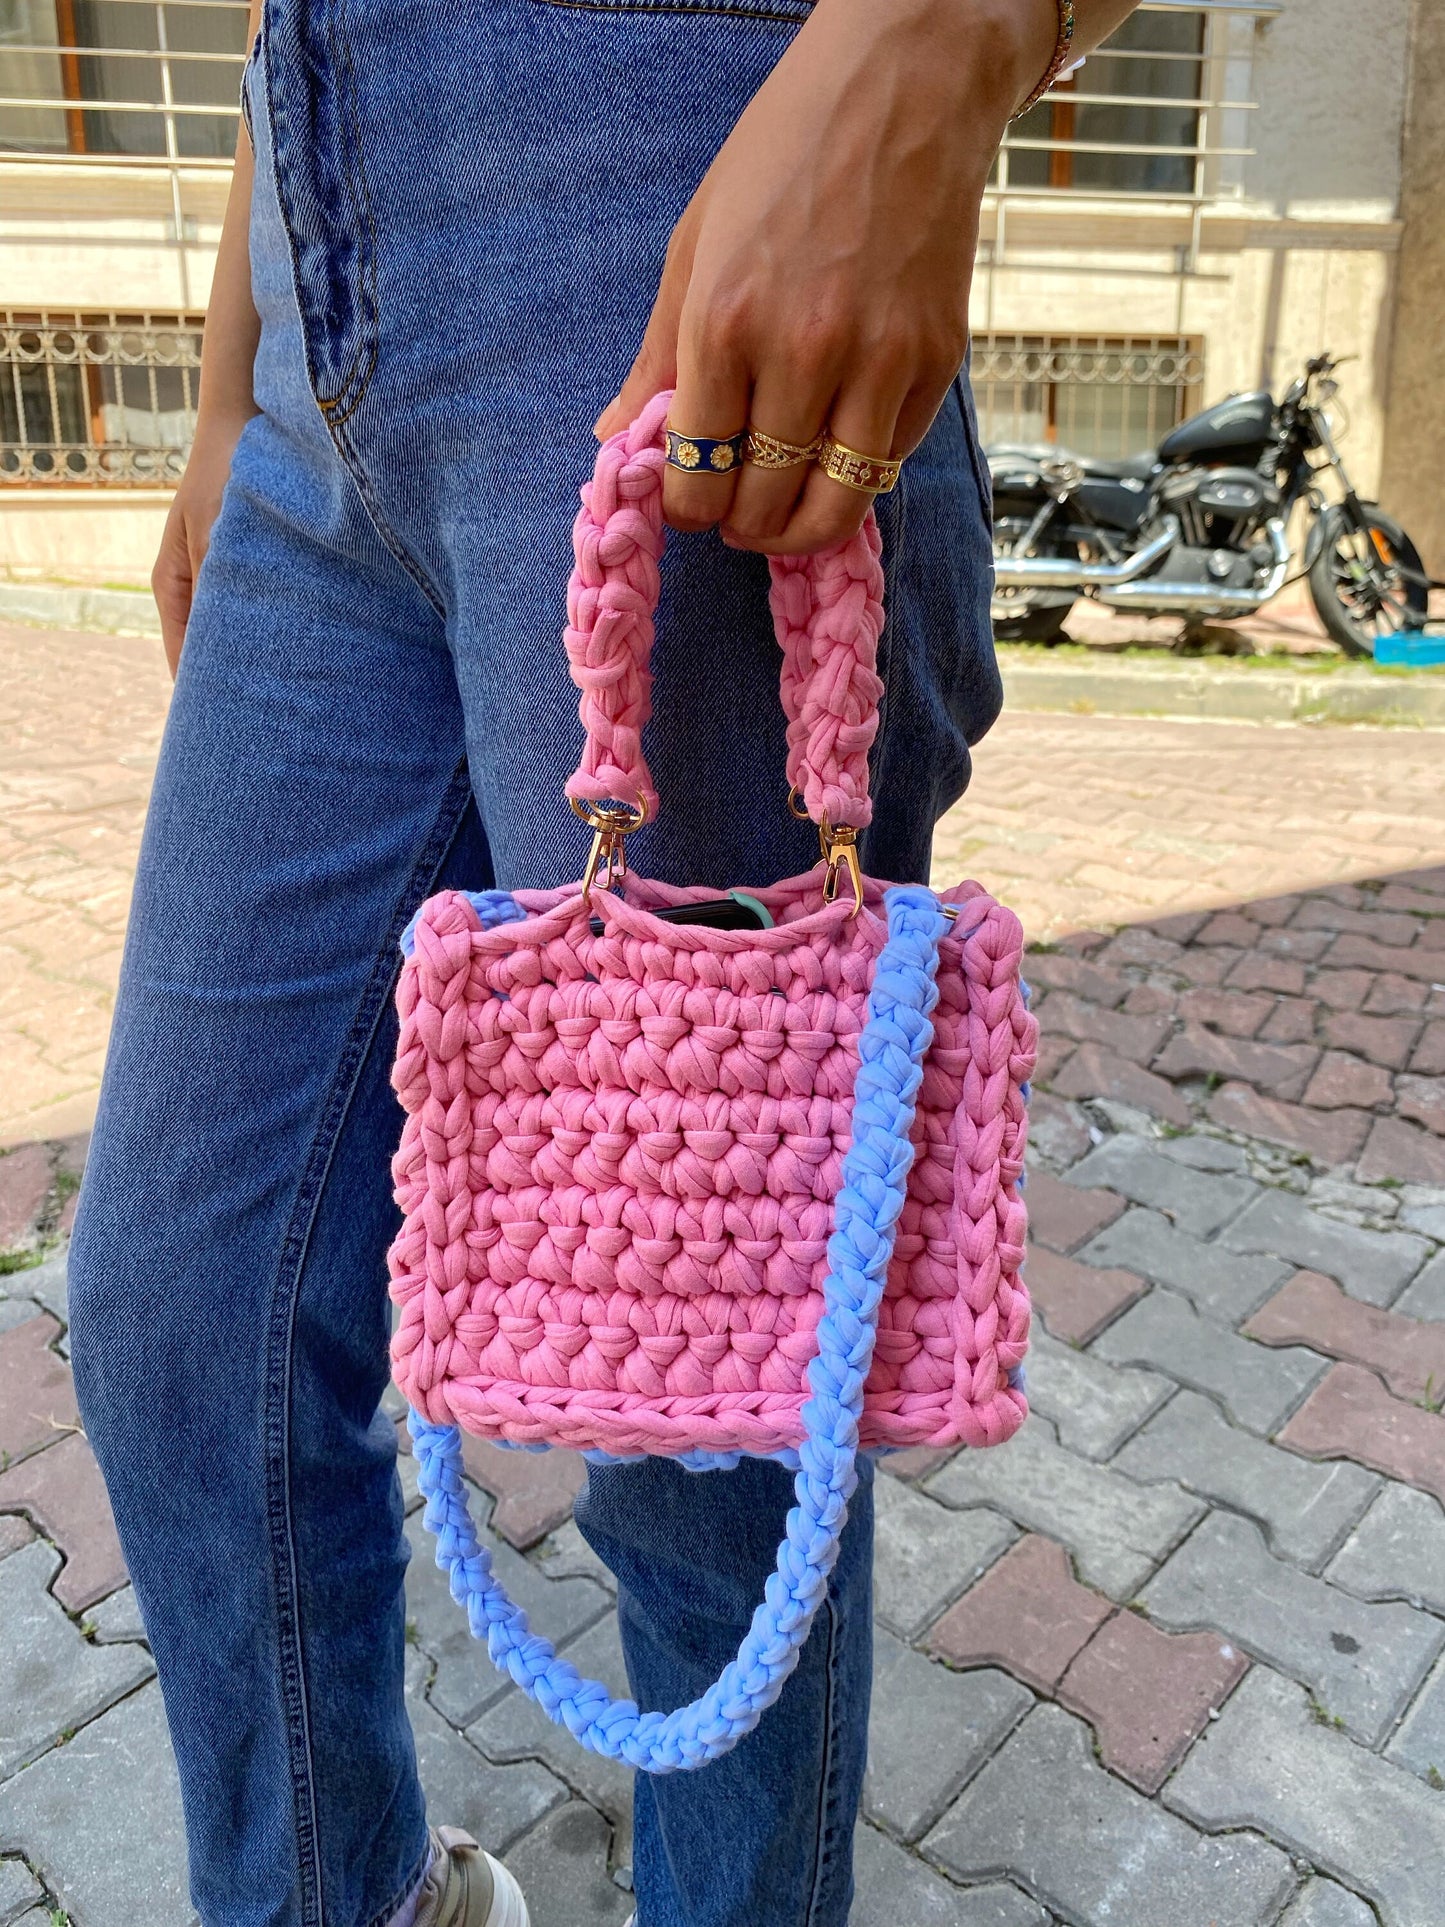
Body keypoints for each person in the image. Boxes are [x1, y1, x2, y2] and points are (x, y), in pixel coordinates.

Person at [67, 0, 1139, 1922]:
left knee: (712, 1408)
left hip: (685, 190)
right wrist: (237, 378)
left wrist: (944, 41)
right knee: (174, 1305)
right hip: (327, 293)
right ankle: (350, 1893)